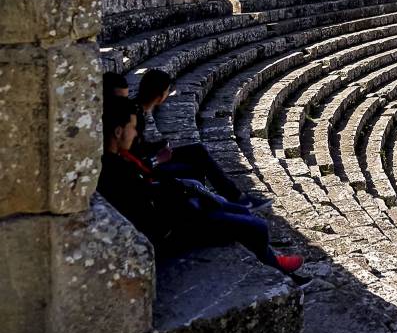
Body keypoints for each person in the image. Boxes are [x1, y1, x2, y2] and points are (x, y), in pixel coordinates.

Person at [99, 98, 301, 273]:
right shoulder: (115, 170)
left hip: (178, 214)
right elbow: (151, 203)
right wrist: (191, 199)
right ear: (118, 131)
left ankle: (273, 259)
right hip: (176, 229)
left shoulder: (118, 160)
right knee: (258, 227)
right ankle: (278, 269)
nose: (135, 133)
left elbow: (153, 188)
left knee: (240, 211)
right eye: (133, 128)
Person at [132, 68, 271, 212]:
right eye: (168, 91)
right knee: (196, 159)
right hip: (148, 167)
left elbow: (141, 145)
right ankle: (232, 199)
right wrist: (157, 159)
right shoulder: (134, 116)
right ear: (161, 95)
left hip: (152, 158)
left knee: (197, 151)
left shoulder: (140, 110)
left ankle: (232, 198)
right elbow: (132, 159)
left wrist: (159, 145)